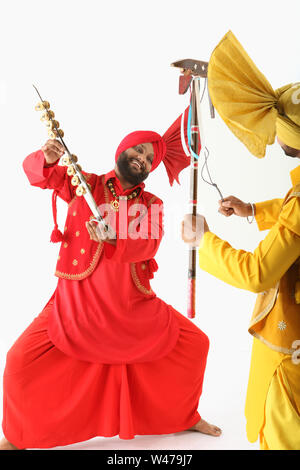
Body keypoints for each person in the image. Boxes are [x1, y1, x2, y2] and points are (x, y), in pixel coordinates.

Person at [0, 110, 221, 450]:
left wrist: (114, 237)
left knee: (196, 344)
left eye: (149, 157)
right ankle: (19, 438)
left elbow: (149, 243)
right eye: (138, 150)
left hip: (131, 305)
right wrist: (45, 159)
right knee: (17, 362)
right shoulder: (81, 183)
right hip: (74, 305)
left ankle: (184, 416)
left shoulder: (152, 204)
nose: (142, 158)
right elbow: (38, 176)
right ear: (122, 150)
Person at [182, 31, 300, 450]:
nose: (274, 136)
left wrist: (205, 242)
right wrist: (253, 210)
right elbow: (292, 218)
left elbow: (258, 272)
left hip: (290, 350)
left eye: (279, 127)